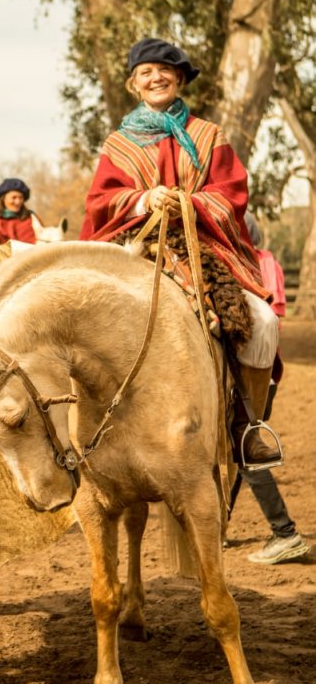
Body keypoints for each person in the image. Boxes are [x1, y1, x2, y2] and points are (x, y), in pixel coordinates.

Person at [79, 36, 281, 467]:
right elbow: (99, 202)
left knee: (262, 322)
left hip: (205, 245)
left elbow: (232, 194)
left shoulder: (208, 136)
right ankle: (91, 426)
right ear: (135, 84)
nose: (156, 78)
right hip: (138, 244)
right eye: (146, 72)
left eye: (164, 71)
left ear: (181, 79)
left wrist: (190, 202)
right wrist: (143, 200)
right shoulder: (118, 145)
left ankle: (248, 426)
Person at [239, 212, 309, 564]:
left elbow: (265, 315)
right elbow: (276, 310)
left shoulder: (247, 264)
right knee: (237, 449)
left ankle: (285, 532)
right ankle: (218, 526)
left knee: (245, 452)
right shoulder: (271, 263)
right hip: (267, 371)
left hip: (249, 371)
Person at [0, 177, 37, 245]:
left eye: (21, 198)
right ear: (4, 198)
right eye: (14, 197)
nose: (17, 202)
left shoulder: (31, 218)